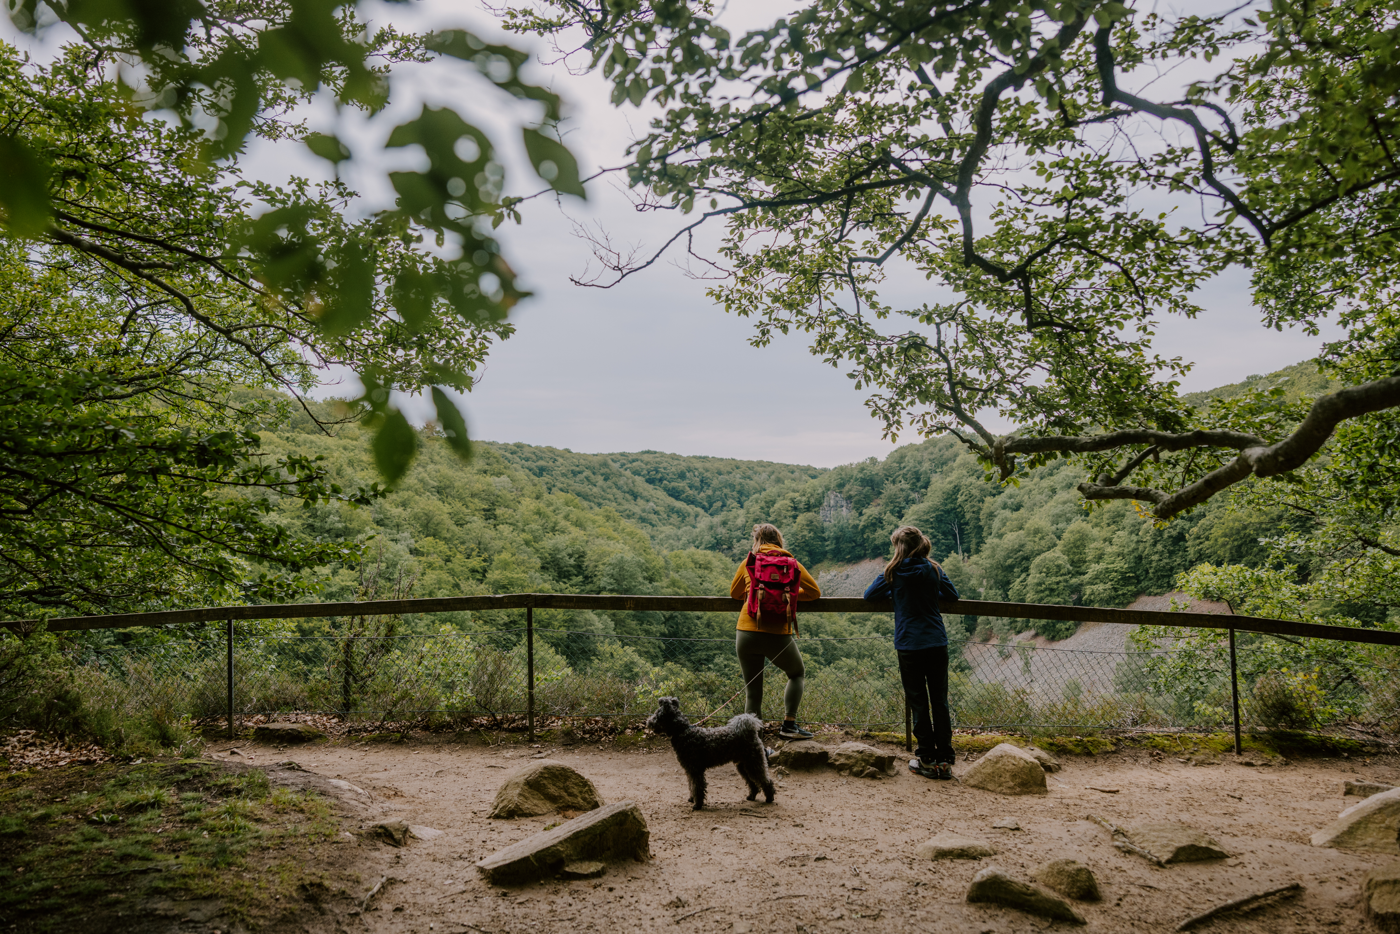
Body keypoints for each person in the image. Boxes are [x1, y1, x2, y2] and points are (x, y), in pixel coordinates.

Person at [863, 525, 960, 779]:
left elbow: (869, 596)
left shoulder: (893, 572)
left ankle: (926, 757)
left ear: (900, 547)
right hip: (936, 641)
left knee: (918, 701)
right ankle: (946, 757)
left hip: (909, 644)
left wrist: (898, 591)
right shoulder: (934, 569)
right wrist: (927, 592)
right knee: (939, 699)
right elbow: (952, 595)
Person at [730, 523, 821, 740]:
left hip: (747, 631)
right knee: (796, 673)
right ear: (779, 541)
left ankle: (754, 745)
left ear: (757, 541)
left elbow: (734, 593)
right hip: (778, 633)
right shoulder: (792, 564)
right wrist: (788, 593)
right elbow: (814, 592)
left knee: (753, 691)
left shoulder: (749, 562)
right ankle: (789, 725)